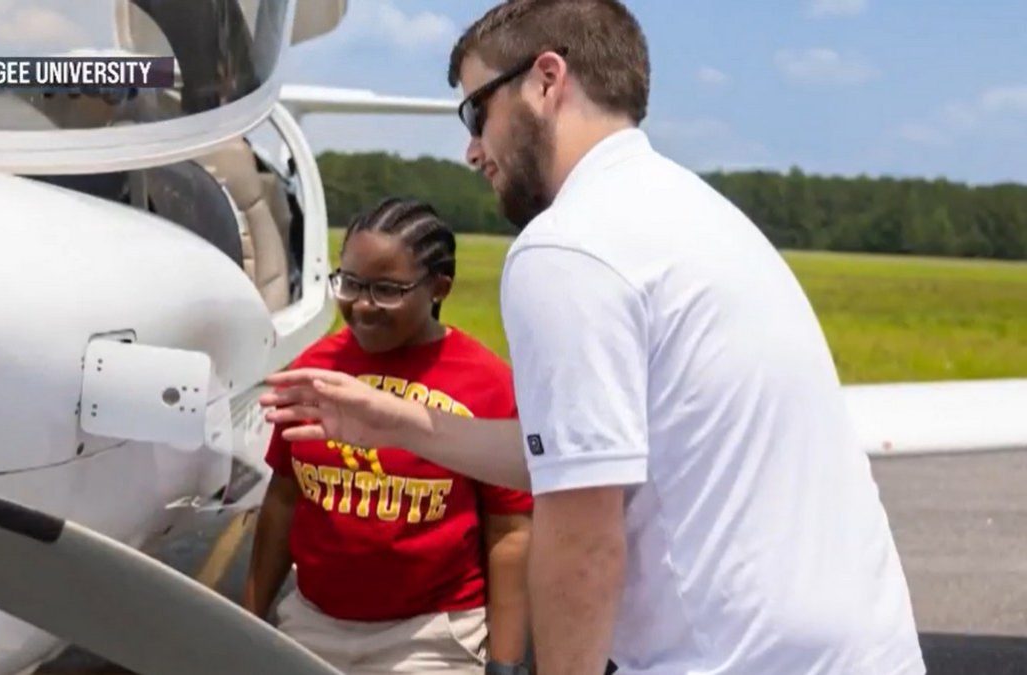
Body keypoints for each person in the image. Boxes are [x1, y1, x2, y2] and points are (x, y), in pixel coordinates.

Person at [262, 1, 926, 674]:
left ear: (547, 80)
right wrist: (406, 424)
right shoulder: (690, 211)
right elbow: (586, 451)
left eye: (476, 112)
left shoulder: (568, 247)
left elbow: (582, 533)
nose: (471, 149)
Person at [246, 197, 533, 675]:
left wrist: (505, 662)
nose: (362, 304)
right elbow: (283, 499)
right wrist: (246, 620)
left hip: (433, 637)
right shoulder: (318, 367)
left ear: (439, 287)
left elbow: (509, 531)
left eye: (387, 290)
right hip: (313, 624)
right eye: (352, 282)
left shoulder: (487, 383)